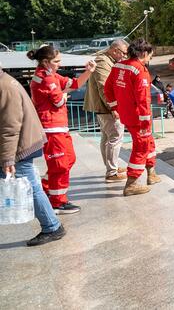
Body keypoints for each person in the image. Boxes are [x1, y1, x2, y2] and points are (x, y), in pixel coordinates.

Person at [0, 65, 66, 246]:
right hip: (20, 144)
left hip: (20, 147)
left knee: (31, 186)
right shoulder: (4, 83)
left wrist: (7, 158)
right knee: (31, 185)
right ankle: (52, 226)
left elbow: (10, 127)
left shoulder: (5, 87)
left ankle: (52, 227)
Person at [28, 46, 96, 214]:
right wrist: (64, 95)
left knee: (68, 160)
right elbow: (58, 101)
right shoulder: (46, 78)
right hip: (51, 128)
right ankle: (57, 202)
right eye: (56, 61)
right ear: (45, 62)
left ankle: (46, 188)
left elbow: (73, 84)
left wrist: (88, 72)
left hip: (58, 127)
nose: (60, 64)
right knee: (60, 165)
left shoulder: (50, 75)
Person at [104, 38, 159, 196]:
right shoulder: (139, 70)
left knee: (149, 142)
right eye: (150, 56)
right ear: (143, 53)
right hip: (138, 117)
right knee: (141, 146)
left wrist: (115, 107)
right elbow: (143, 100)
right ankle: (132, 183)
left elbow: (107, 89)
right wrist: (145, 122)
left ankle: (151, 173)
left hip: (126, 114)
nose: (149, 59)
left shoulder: (118, 66)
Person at [84, 39, 129, 183]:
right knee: (115, 138)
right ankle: (111, 172)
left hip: (104, 107)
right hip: (106, 107)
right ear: (115, 50)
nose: (124, 57)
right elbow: (104, 87)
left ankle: (112, 168)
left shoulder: (106, 59)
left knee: (107, 138)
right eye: (123, 54)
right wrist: (113, 107)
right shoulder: (103, 62)